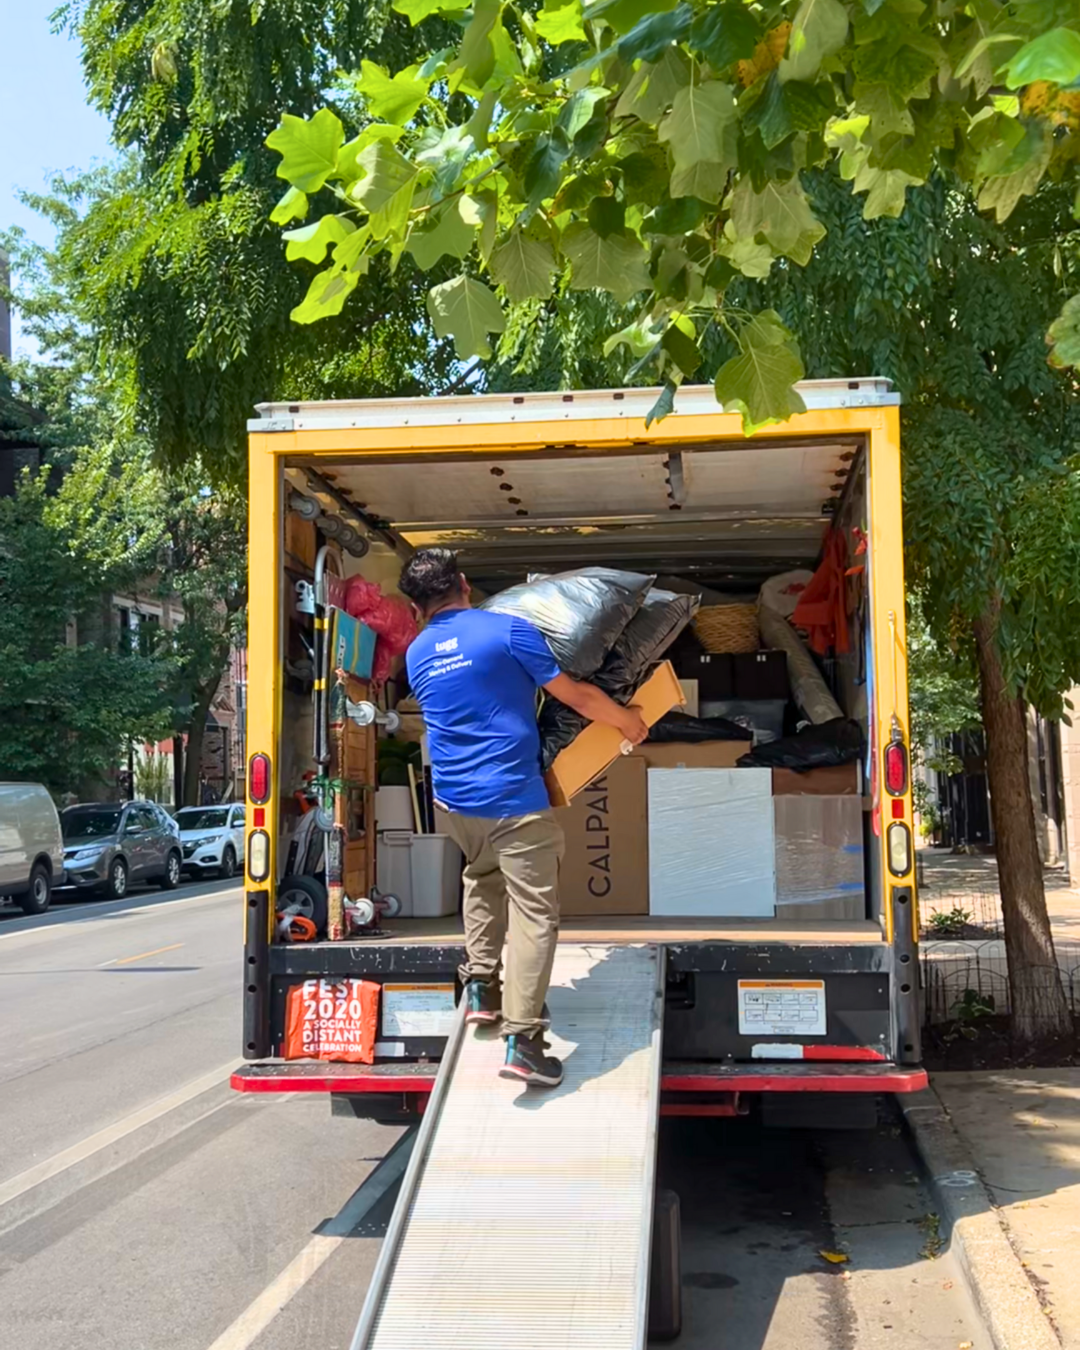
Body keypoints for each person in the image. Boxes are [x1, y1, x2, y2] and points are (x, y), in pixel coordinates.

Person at [400, 547, 649, 1088]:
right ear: (465, 584)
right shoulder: (506, 630)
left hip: (454, 802)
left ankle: (482, 989)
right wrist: (627, 721)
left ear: (416, 607)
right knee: (534, 914)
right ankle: (525, 1042)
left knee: (481, 875)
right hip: (512, 796)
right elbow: (577, 696)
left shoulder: (416, 654)